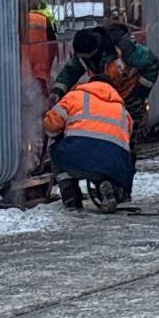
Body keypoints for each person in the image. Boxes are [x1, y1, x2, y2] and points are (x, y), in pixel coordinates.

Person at [49, 22, 159, 161]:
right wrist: (56, 92)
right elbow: (69, 73)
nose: (84, 59)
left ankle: (123, 170)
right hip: (106, 99)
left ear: (94, 50)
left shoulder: (125, 49)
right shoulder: (83, 54)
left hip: (128, 97)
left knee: (126, 139)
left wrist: (139, 92)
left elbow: (152, 63)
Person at [43, 75, 133, 214]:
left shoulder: (74, 97)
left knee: (55, 149)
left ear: (90, 84)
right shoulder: (123, 112)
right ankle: (111, 190)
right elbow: (128, 140)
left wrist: (60, 135)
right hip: (111, 167)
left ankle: (71, 197)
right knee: (113, 160)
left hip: (76, 159)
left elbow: (50, 124)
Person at [27, 0, 57, 89]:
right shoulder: (42, 20)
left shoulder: (12, 19)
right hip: (40, 76)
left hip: (21, 74)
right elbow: (53, 48)